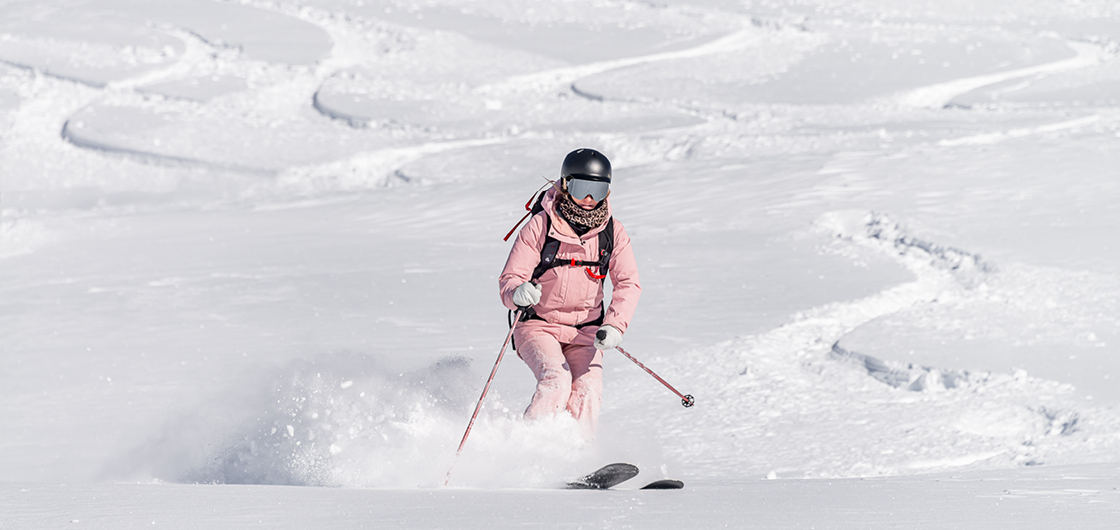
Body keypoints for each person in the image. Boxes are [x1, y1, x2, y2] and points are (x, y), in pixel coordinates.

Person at [498, 148, 641, 439]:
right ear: (565, 185)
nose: (589, 200)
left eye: (597, 190)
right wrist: (517, 293)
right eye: (581, 189)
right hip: (538, 326)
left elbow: (628, 283)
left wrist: (614, 325)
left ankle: (577, 462)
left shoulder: (612, 232)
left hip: (586, 333)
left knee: (588, 390)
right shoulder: (541, 226)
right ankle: (527, 449)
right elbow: (510, 278)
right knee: (556, 382)